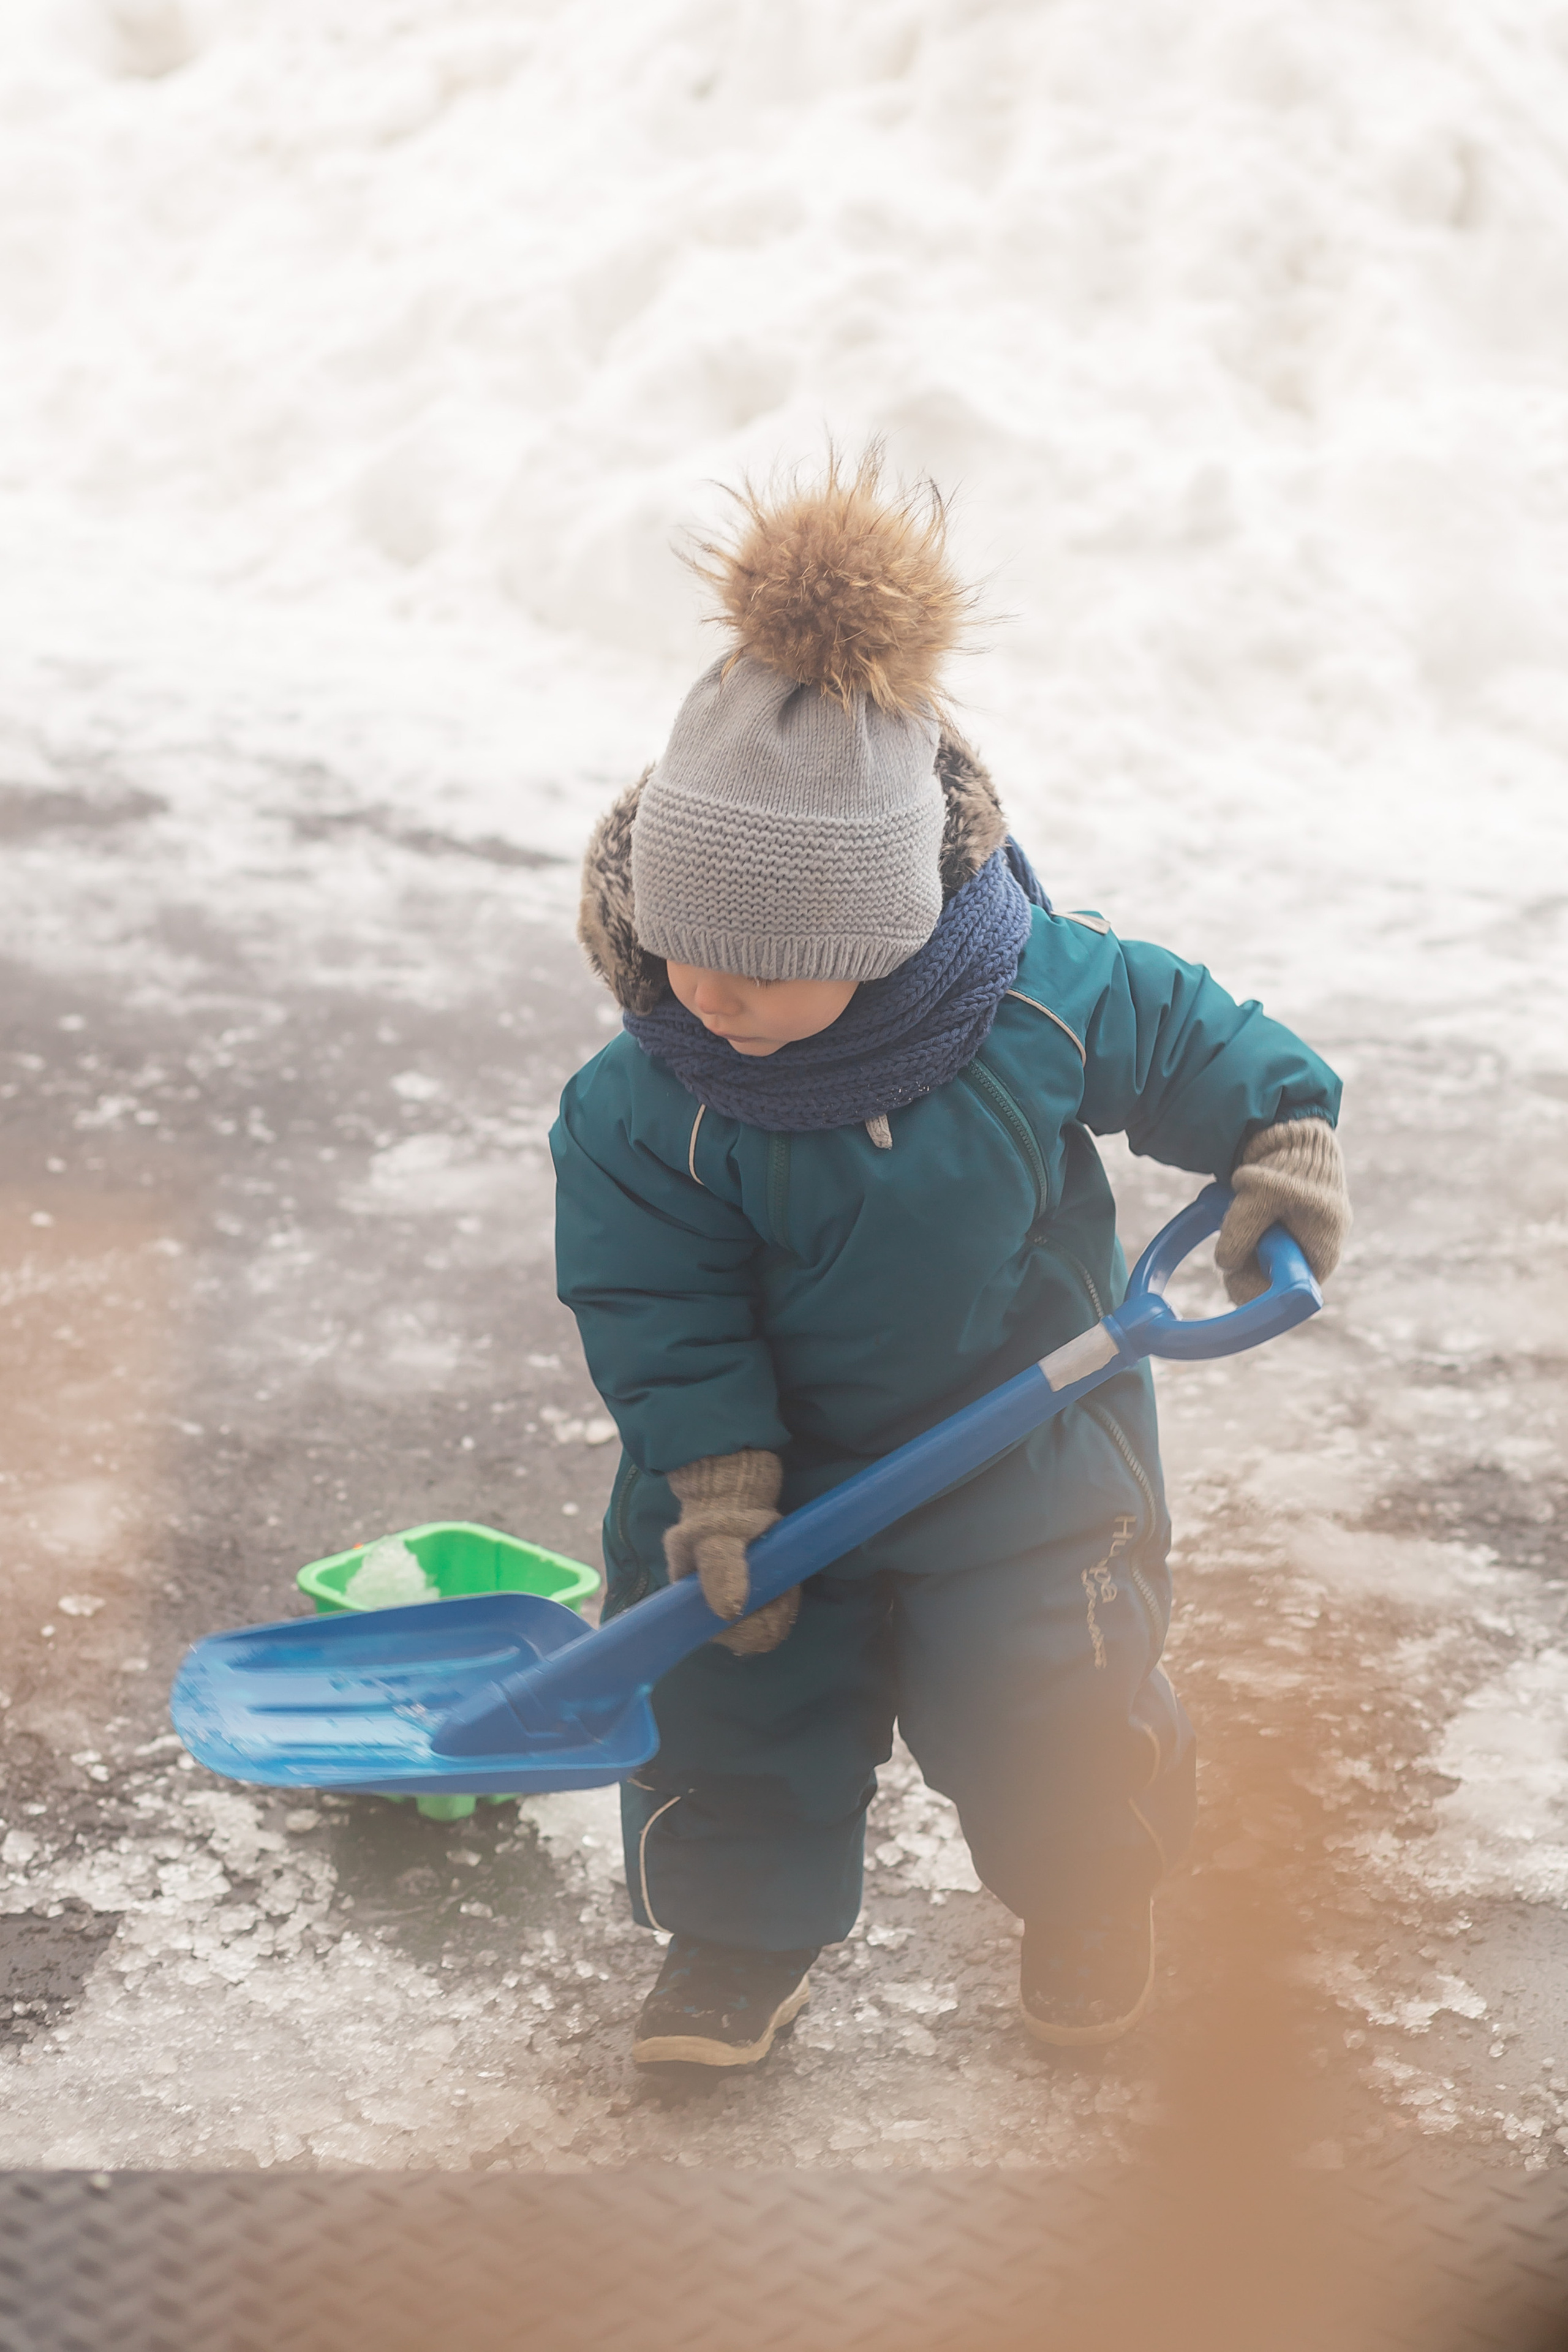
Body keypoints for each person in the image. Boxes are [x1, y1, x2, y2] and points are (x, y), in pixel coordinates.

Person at [549, 453, 1349, 2070]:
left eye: (765, 976)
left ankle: (1088, 1900)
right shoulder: (645, 1102)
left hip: (1023, 1455)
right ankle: (731, 1944)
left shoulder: (1029, 1001)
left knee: (1055, 1704)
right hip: (763, 1489)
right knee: (734, 1711)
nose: (709, 998)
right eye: (684, 951)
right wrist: (715, 1478)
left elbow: (1188, 1029)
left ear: (883, 935)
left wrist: (1283, 1136)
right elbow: (655, 1299)